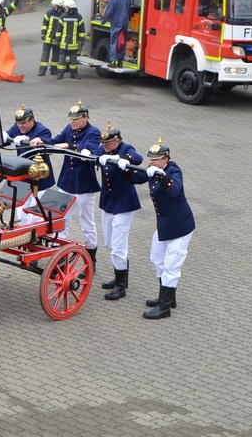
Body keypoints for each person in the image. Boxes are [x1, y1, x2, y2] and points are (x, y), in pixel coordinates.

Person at [29, 101, 100, 265]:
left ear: (86, 118)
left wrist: (68, 145)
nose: (72, 122)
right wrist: (41, 141)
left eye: (76, 119)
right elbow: (55, 141)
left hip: (84, 185)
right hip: (67, 182)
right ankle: (59, 257)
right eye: (71, 119)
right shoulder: (69, 129)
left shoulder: (93, 132)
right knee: (60, 218)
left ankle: (91, 258)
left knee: (87, 222)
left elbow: (87, 148)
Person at [131, 138, 195, 319]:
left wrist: (161, 175)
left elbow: (174, 190)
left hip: (180, 226)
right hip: (165, 224)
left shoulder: (173, 170)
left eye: (155, 159)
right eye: (150, 158)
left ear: (165, 158)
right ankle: (169, 296)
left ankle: (164, 306)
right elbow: (136, 178)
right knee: (156, 258)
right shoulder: (153, 169)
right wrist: (123, 165)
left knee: (171, 266)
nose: (151, 162)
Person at [92, 123, 143, 300]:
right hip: (108, 203)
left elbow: (137, 158)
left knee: (118, 247)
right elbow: (94, 155)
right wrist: (95, 156)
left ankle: (121, 287)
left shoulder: (126, 148)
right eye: (103, 144)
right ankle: (119, 277)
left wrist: (122, 158)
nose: (105, 147)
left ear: (117, 140)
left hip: (123, 204)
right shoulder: (103, 149)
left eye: (108, 144)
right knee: (110, 243)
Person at [3, 104, 55, 224]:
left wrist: (38, 141)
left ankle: (35, 238)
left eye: (24, 123)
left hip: (40, 180)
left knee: (37, 216)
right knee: (21, 212)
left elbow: (46, 141)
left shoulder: (42, 130)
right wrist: (3, 135)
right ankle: (23, 238)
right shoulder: (18, 128)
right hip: (24, 178)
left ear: (32, 120)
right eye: (18, 123)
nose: (21, 126)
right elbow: (6, 137)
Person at [101, 0, 132, 65]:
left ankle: (113, 61)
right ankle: (120, 61)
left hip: (116, 23)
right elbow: (129, 10)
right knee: (122, 42)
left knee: (114, 41)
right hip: (125, 23)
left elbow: (109, 11)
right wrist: (128, 20)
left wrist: (103, 21)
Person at [56, 0, 87, 79]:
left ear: (70, 8)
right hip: (64, 43)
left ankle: (74, 74)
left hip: (73, 43)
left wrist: (82, 40)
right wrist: (57, 39)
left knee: (73, 61)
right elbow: (59, 29)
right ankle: (60, 74)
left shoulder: (79, 17)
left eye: (66, 7)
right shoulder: (63, 16)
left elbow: (81, 30)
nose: (65, 9)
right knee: (61, 60)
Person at [38, 0, 64, 76]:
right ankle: (42, 70)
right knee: (45, 55)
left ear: (60, 6)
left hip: (57, 39)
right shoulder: (49, 13)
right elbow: (45, 23)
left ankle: (53, 70)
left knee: (56, 55)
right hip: (48, 38)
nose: (54, 7)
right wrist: (43, 33)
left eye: (56, 6)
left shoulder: (63, 14)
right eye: (54, 5)